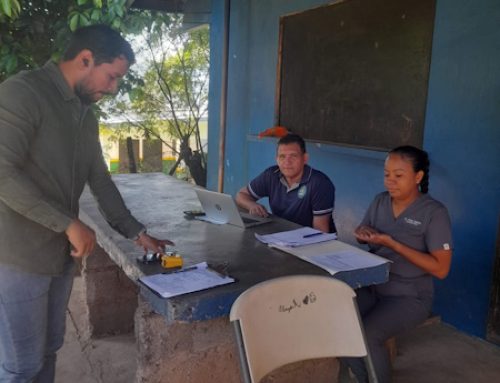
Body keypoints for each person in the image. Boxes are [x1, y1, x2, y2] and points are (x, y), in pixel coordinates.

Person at [0, 25, 173, 382]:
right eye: (111, 77)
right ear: (85, 59)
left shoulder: (84, 115)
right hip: (15, 256)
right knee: (21, 366)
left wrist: (137, 232)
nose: (112, 89)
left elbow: (100, 181)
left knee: (49, 350)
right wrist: (67, 223)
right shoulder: (24, 93)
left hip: (58, 256)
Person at [342, 146, 453, 383]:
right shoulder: (380, 201)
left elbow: (441, 269)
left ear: (418, 177)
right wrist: (363, 235)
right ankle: (365, 378)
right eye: (386, 174)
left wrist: (394, 244)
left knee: (369, 334)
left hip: (409, 296)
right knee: (339, 320)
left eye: (399, 175)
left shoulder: (434, 213)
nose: (390, 181)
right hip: (373, 285)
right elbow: (363, 233)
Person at [236, 133, 336, 233]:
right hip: (282, 237)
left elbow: (321, 232)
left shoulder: (320, 184)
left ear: (305, 158)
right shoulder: (271, 175)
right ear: (276, 159)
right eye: (282, 157)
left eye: (293, 156)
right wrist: (252, 205)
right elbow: (241, 195)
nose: (287, 162)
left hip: (311, 242)